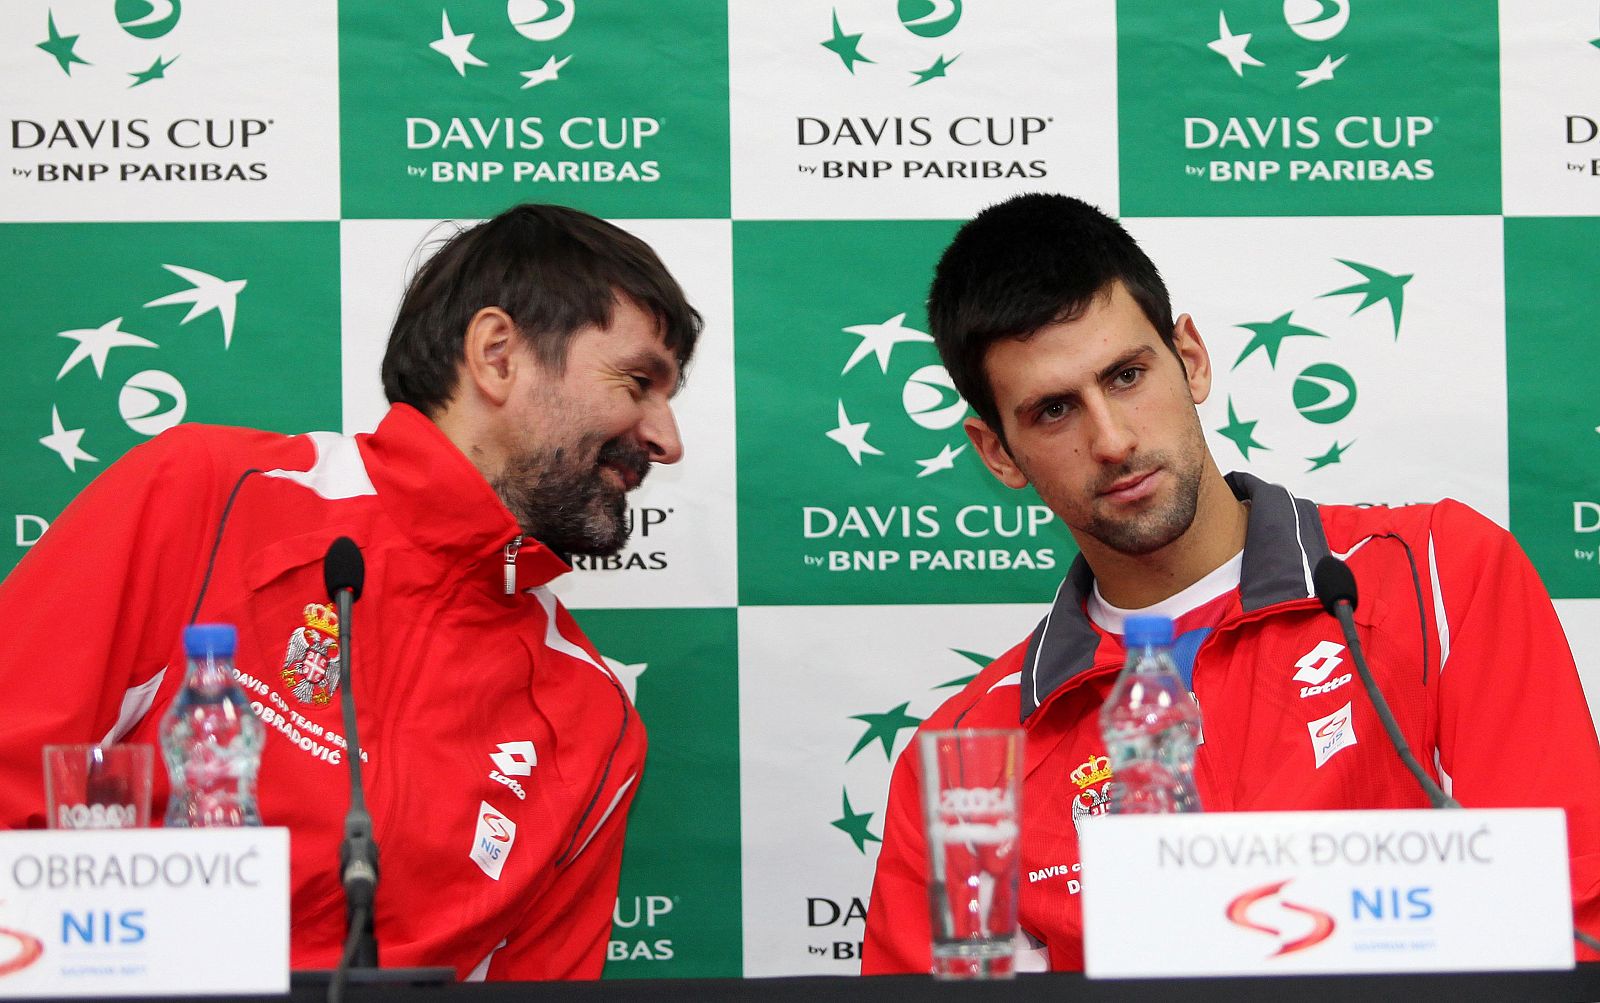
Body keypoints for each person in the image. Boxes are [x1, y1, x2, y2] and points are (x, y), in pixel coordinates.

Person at [861, 193, 1600, 973]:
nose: (1112, 439)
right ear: (998, 452)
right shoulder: (967, 758)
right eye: (1052, 410)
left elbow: (1569, 924)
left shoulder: (1442, 570)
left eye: (1127, 375)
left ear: (1192, 358)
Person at [0, 203, 701, 980]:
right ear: (498, 354)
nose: (667, 440)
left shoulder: (593, 723)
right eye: (638, 381)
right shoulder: (208, 496)